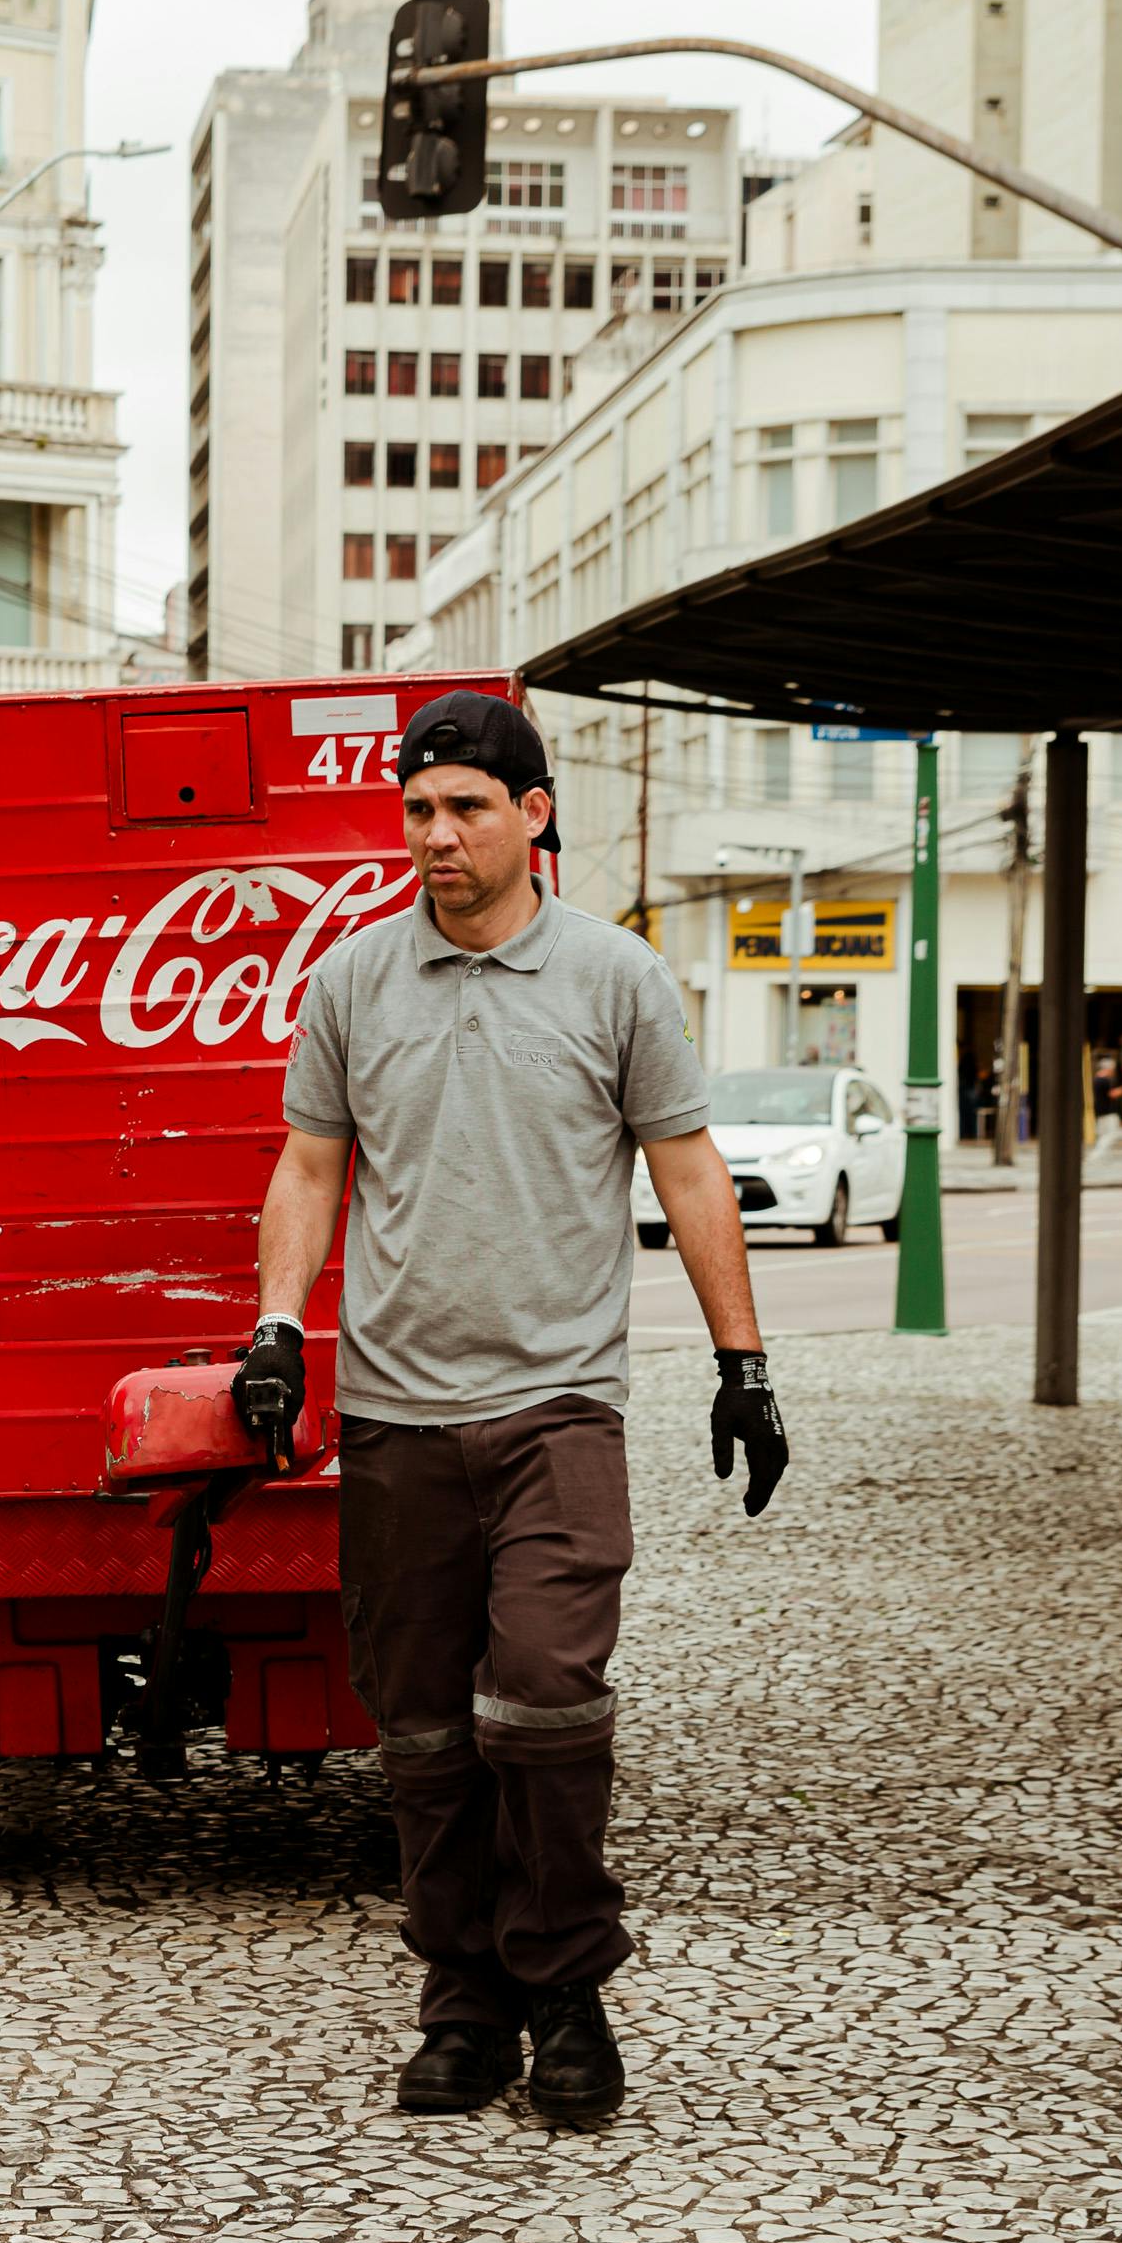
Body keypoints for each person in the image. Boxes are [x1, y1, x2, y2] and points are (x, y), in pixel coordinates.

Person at [233, 690, 787, 2129]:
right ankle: (461, 2003)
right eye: (418, 810)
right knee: (419, 1732)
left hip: (557, 1412)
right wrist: (279, 1328)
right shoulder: (356, 982)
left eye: (466, 807)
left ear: (533, 817)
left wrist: (745, 1364)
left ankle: (568, 1991)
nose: (437, 834)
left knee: (544, 1700)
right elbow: (309, 1165)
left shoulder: (616, 979)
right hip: (398, 1422)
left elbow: (687, 1168)